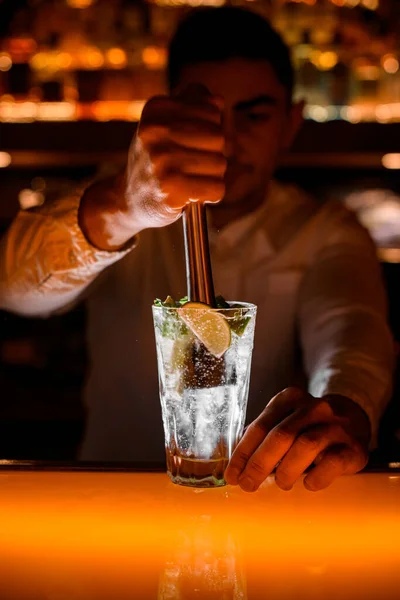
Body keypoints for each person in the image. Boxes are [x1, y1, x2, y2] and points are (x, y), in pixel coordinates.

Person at [0, 7, 394, 492]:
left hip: (255, 506)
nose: (224, 141)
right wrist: (125, 204)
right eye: (207, 119)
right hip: (107, 495)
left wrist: (344, 406)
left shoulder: (325, 231)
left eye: (254, 114)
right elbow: (11, 287)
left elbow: (352, 335)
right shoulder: (121, 194)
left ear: (291, 123)